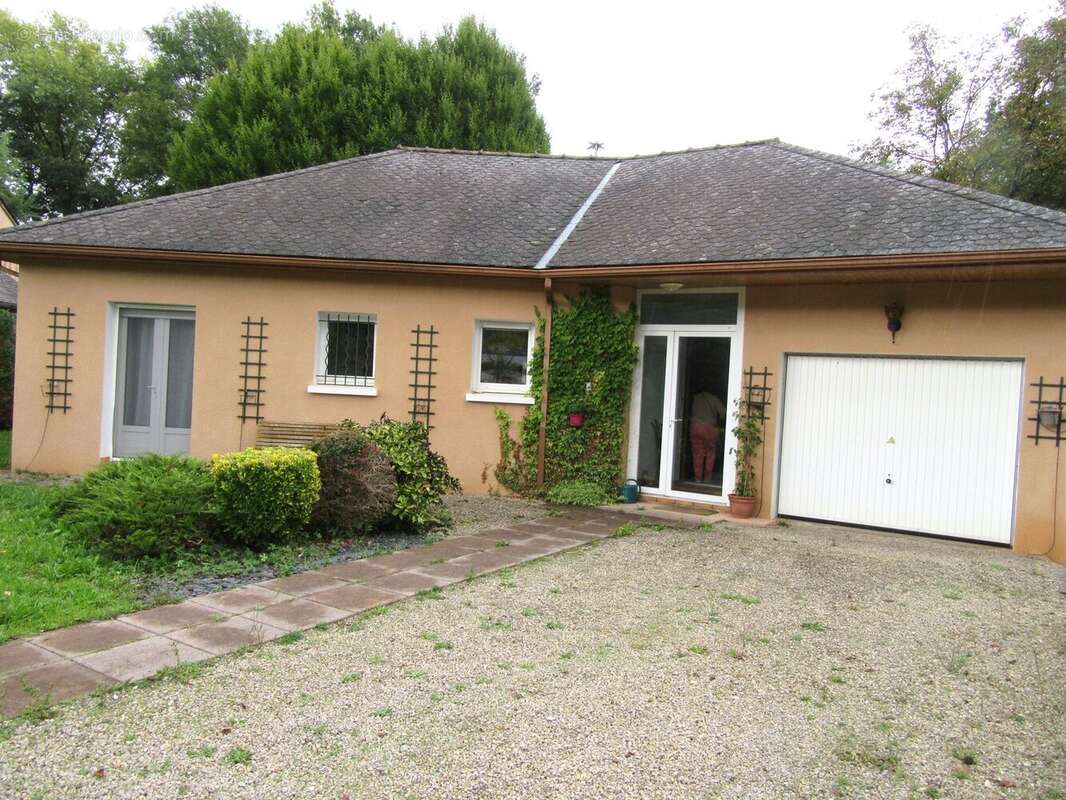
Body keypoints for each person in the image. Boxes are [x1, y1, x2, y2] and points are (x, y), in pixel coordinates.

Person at [689, 390, 725, 482]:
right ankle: (707, 479)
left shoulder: (695, 398)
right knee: (710, 454)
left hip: (695, 426)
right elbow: (723, 413)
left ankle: (697, 478)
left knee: (697, 454)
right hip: (709, 428)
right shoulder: (714, 399)